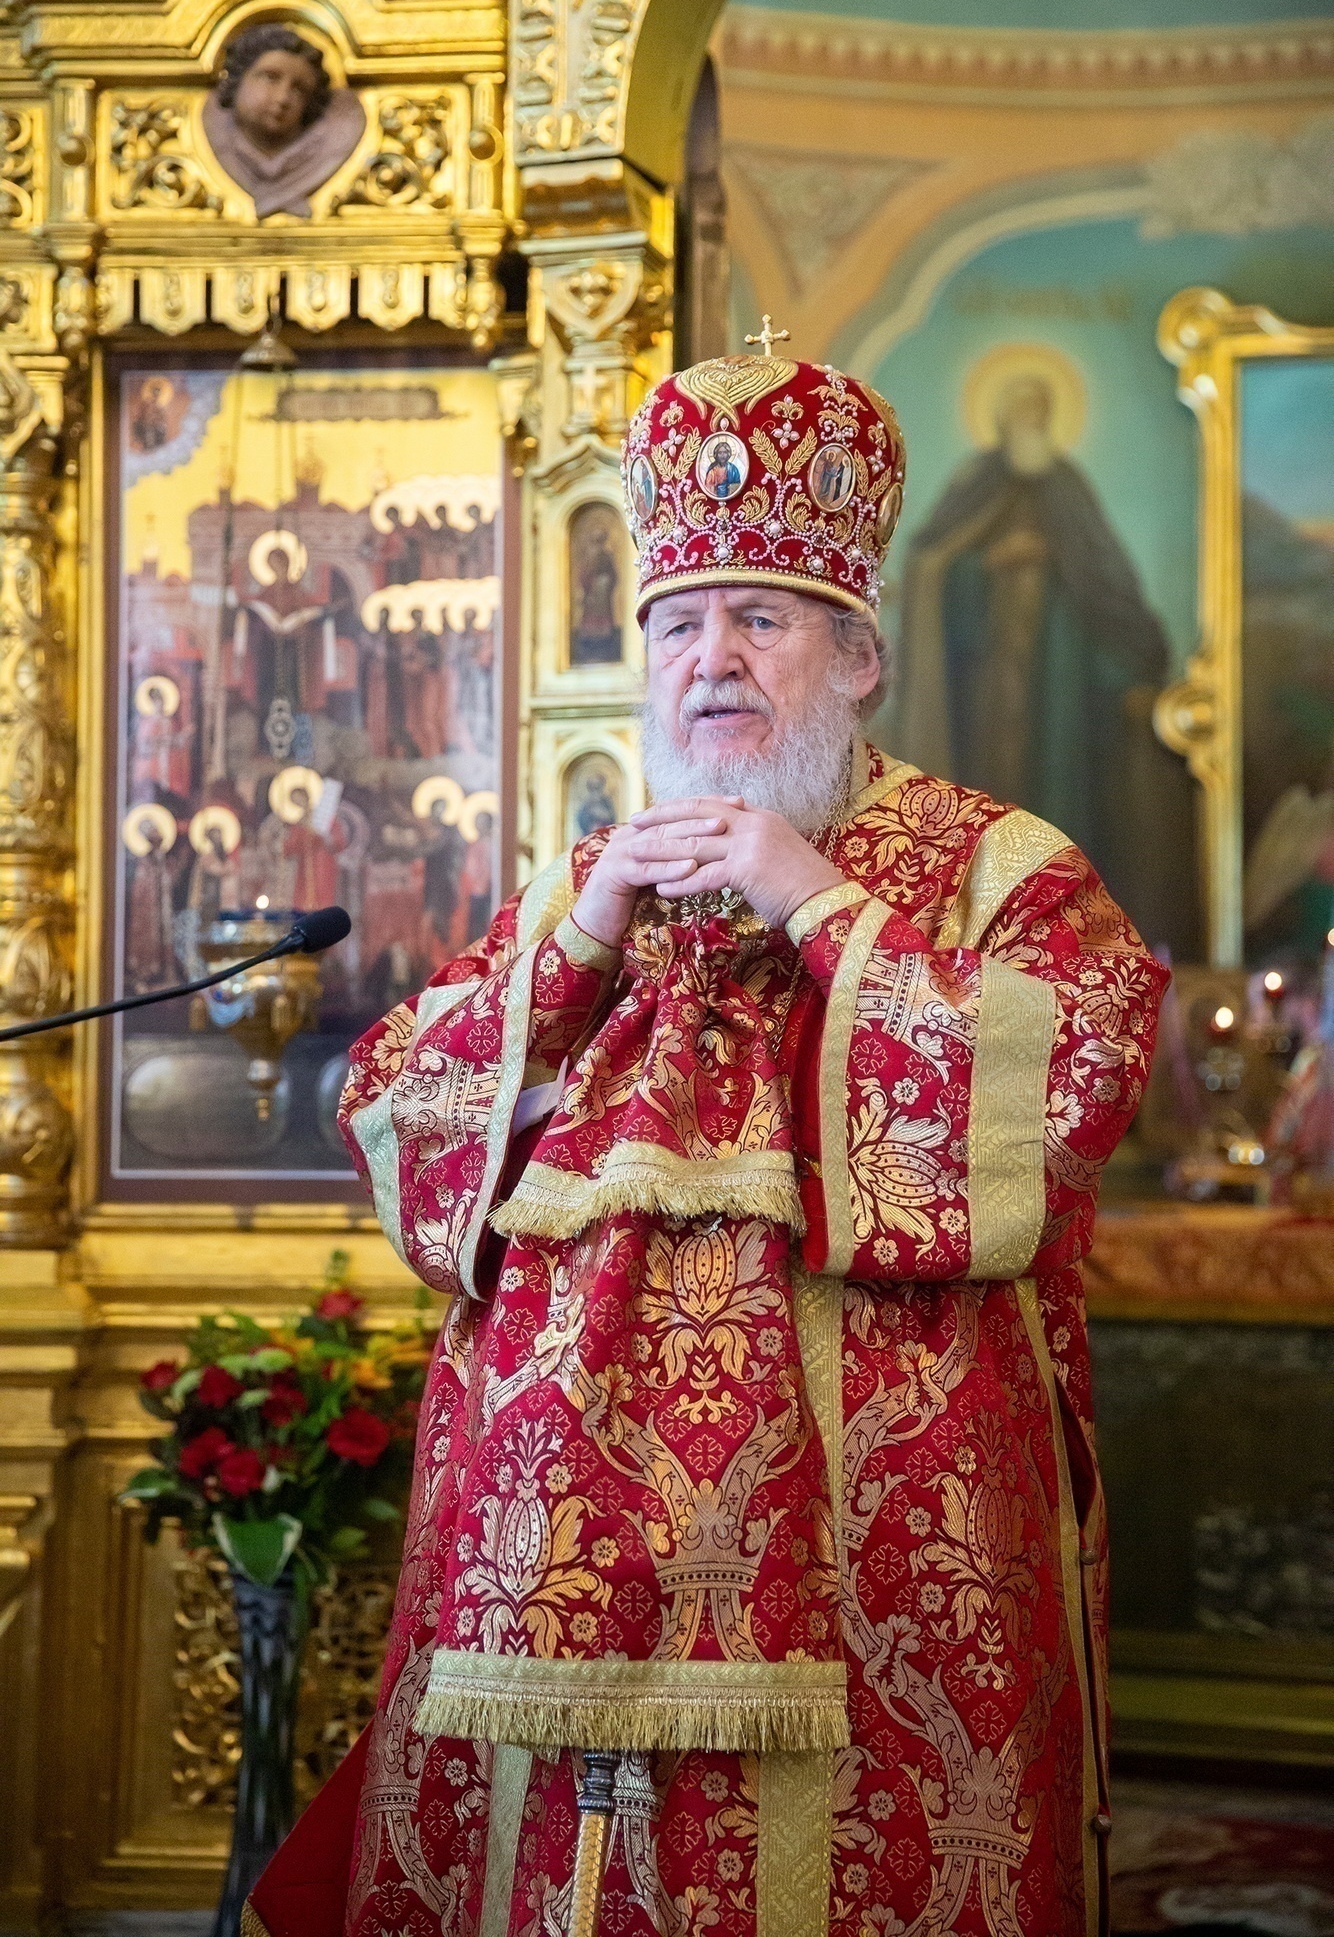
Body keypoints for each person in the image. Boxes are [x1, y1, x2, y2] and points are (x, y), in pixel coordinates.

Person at [247, 345, 1166, 1937]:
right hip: (557, 1556)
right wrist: (577, 942)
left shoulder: (994, 867)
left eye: (759, 620)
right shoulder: (588, 880)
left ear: (857, 654)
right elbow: (396, 1110)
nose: (710, 661)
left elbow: (1072, 1083)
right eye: (677, 624)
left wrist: (817, 904)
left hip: (878, 1550)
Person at [891, 368, 1197, 955]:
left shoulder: (1067, 487)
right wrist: (988, 564)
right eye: (1020, 408)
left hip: (1060, 681)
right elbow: (931, 563)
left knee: (1061, 786)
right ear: (1002, 418)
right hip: (986, 677)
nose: (1029, 419)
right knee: (988, 778)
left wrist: (1058, 567)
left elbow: (1103, 574)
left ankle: (1063, 916)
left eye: (1039, 408)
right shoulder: (976, 482)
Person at [202, 22, 365, 220]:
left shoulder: (330, 148)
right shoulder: (213, 134)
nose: (283, 98)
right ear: (238, 77)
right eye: (271, 77)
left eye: (299, 89)